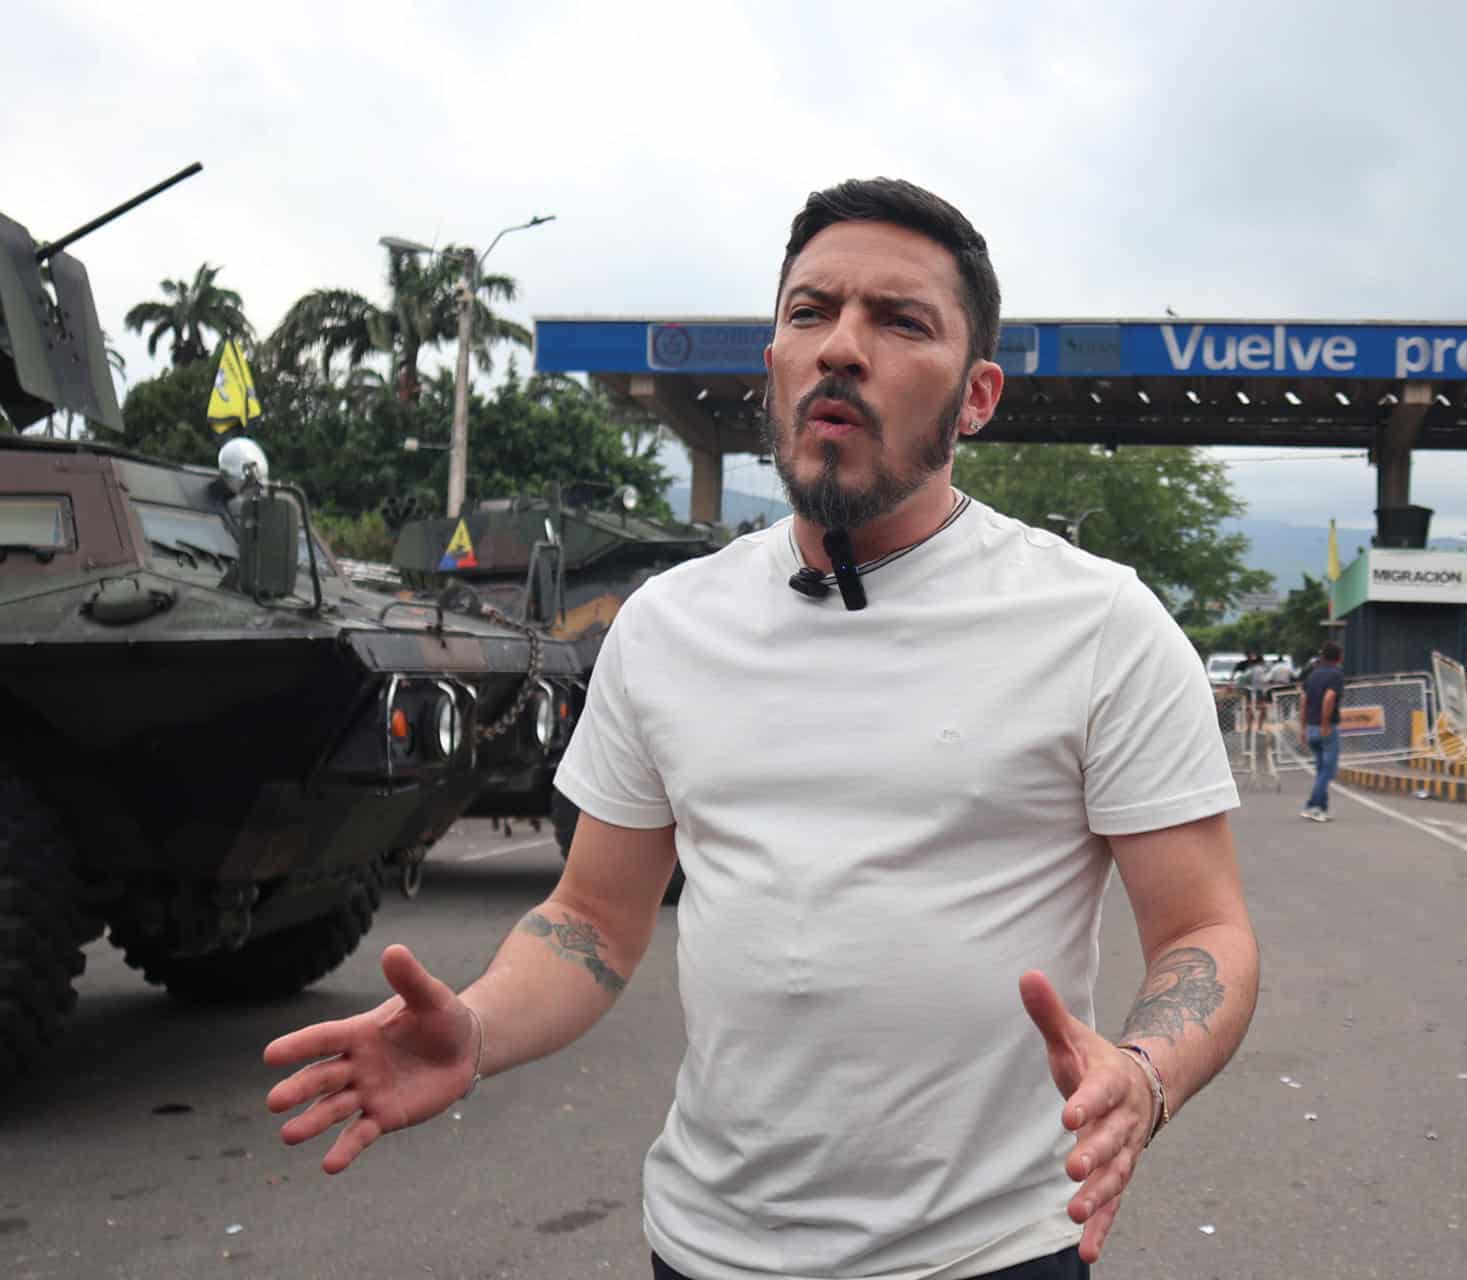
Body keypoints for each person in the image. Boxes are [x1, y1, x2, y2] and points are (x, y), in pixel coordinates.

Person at [262, 177, 1260, 1279]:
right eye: (810, 312)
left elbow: (1205, 931)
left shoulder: (1098, 624)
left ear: (977, 396)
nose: (842, 346)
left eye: (900, 321)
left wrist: (1145, 1072)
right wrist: (480, 1024)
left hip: (991, 1253)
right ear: (772, 363)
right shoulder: (668, 624)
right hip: (702, 1247)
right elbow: (593, 918)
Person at [1298, 641, 1344, 822]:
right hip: (1327, 728)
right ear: (1339, 657)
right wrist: (1325, 723)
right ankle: (1313, 806)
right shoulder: (1336, 675)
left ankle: (1321, 807)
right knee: (1328, 771)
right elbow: (1329, 698)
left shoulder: (1313, 675)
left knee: (1321, 770)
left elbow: (1303, 701)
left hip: (1311, 727)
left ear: (1322, 656)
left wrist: (1303, 728)